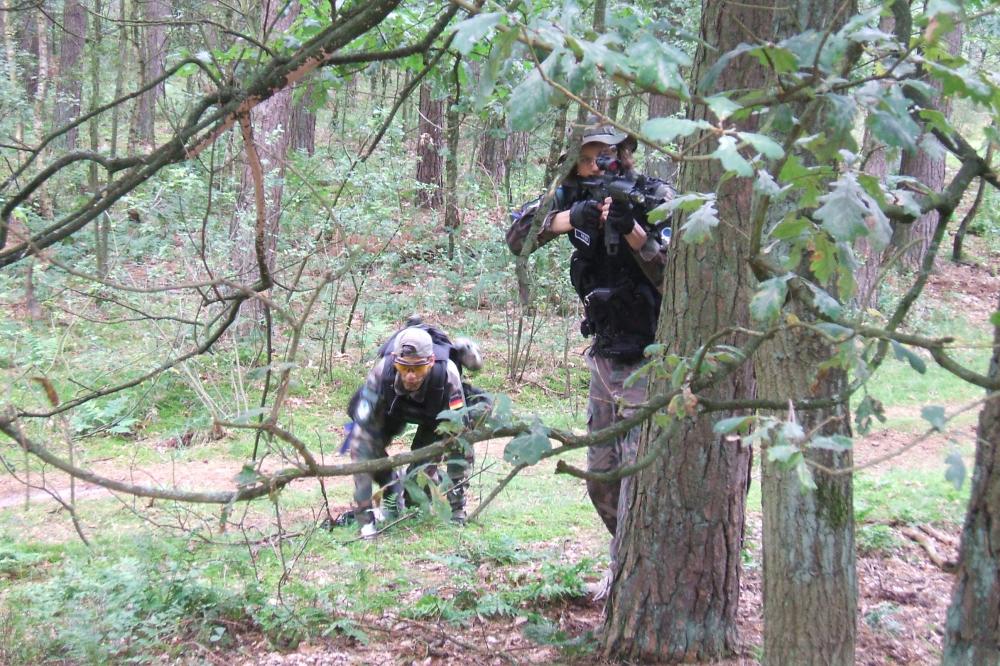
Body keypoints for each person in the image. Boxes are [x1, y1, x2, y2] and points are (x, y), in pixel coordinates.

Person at [506, 120, 673, 595]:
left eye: (605, 156)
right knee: (601, 476)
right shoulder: (570, 195)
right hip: (604, 353)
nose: (597, 166)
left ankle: (639, 576)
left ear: (624, 155)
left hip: (652, 353)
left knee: (638, 473)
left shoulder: (653, 196)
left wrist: (635, 234)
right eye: (585, 159)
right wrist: (571, 217)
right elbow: (517, 238)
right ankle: (626, 563)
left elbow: (678, 277)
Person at [345, 322, 484, 538]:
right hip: (393, 411)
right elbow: (360, 436)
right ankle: (391, 487)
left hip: (435, 418)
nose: (411, 376)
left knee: (415, 495)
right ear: (395, 362)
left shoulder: (447, 374)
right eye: (404, 368)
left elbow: (460, 439)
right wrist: (365, 521)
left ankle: (418, 485)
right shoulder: (381, 372)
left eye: (418, 369)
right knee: (361, 444)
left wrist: (457, 509)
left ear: (430, 362)